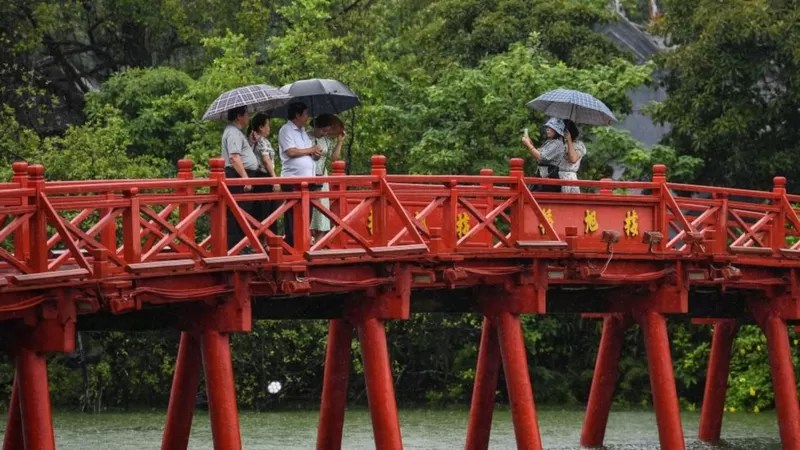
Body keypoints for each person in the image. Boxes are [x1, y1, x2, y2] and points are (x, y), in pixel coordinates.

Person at [222, 105, 267, 250]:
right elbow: (234, 157)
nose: (248, 117)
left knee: (242, 211)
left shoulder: (236, 132)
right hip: (238, 176)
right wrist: (245, 178)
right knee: (238, 212)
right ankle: (236, 247)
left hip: (241, 174)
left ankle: (240, 245)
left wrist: (250, 142)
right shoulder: (233, 132)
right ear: (238, 116)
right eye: (246, 114)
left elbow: (241, 152)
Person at [278, 102, 321, 247]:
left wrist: (315, 153)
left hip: (308, 180)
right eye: (306, 114)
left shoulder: (303, 132)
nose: (307, 117)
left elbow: (308, 152)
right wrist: (310, 150)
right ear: (297, 115)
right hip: (293, 179)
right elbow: (291, 151)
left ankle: (303, 243)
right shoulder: (286, 130)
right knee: (293, 214)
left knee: (306, 213)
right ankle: (292, 245)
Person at [309, 114, 345, 242]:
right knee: (309, 208)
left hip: (322, 176)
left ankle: (318, 242)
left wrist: (340, 142)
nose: (325, 133)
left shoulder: (326, 140)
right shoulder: (307, 136)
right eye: (323, 130)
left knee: (322, 209)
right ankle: (308, 239)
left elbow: (334, 158)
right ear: (317, 127)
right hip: (309, 173)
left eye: (327, 131)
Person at [246, 113, 280, 233]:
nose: (269, 128)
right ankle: (266, 238)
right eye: (267, 125)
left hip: (259, 177)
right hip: (264, 177)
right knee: (266, 211)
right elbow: (266, 160)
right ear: (261, 127)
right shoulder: (261, 141)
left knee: (262, 211)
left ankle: (262, 238)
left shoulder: (254, 140)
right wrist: (275, 179)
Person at [522, 117, 566, 192]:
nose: (547, 129)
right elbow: (536, 155)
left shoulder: (558, 144)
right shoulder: (549, 142)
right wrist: (529, 143)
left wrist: (529, 144)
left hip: (549, 180)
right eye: (547, 127)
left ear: (557, 130)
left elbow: (541, 157)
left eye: (551, 128)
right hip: (542, 178)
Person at [560, 119, 587, 193]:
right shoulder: (558, 144)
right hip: (556, 176)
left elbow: (573, 159)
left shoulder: (579, 145)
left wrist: (569, 140)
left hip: (569, 177)